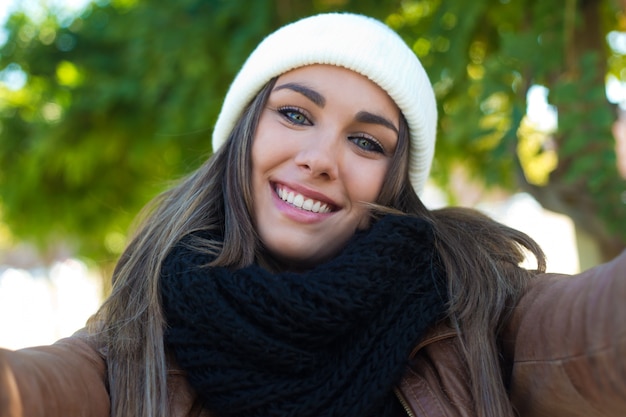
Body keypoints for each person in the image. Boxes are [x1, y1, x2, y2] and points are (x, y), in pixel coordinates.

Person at [1, 12, 625, 417]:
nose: (321, 159)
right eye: (296, 114)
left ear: (393, 182)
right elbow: (33, 393)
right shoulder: (134, 335)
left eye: (366, 142)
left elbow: (594, 334)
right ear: (242, 135)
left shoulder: (476, 301)